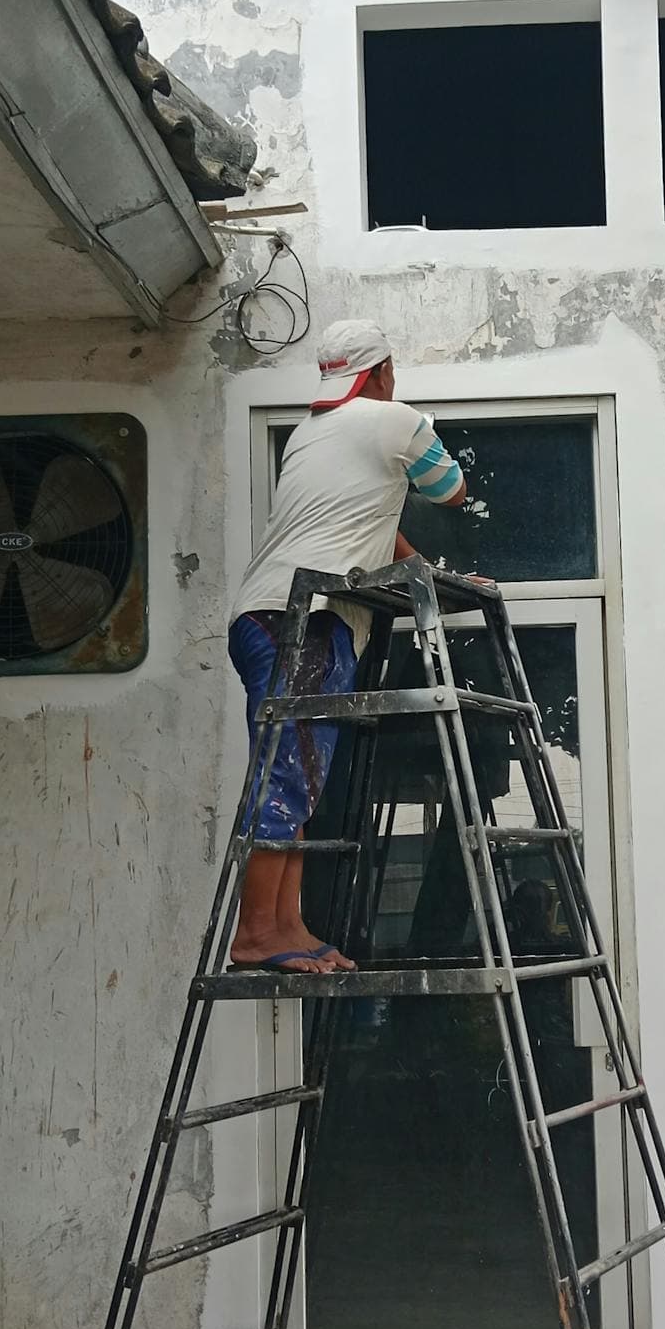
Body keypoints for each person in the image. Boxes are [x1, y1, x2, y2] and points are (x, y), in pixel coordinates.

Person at [227, 319, 468, 973]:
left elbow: (370, 530)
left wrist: (433, 576)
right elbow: (452, 490)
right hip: (303, 618)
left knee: (298, 777)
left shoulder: (310, 434)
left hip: (269, 615)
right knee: (287, 777)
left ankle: (288, 927)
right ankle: (254, 932)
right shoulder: (394, 420)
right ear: (383, 371)